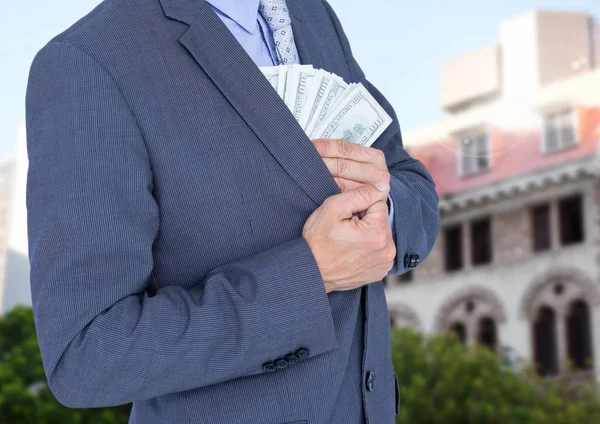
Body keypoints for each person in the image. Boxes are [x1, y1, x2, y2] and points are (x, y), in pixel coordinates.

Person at [25, 0, 440, 422]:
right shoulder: (88, 60)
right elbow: (87, 354)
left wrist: (385, 212)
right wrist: (313, 276)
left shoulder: (312, 14)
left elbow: (410, 185)